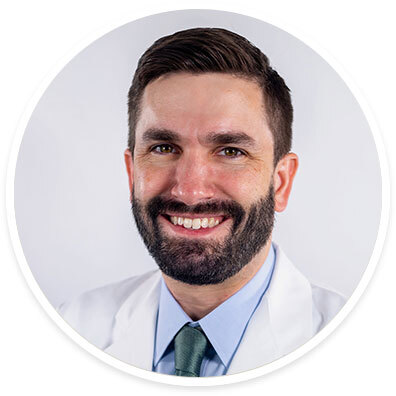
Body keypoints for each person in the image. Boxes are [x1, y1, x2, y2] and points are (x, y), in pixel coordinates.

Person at [59, 27, 345, 377]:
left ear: (280, 182)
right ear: (133, 174)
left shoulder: (360, 349)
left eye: (230, 151)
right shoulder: (69, 329)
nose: (190, 191)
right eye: (163, 148)